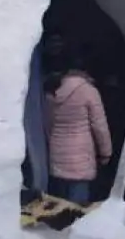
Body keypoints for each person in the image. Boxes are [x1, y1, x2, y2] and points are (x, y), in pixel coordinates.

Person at [44, 49, 113, 206]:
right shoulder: (88, 91)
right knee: (77, 209)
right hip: (80, 159)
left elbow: (48, 125)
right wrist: (106, 153)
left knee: (59, 206)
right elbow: (99, 126)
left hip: (57, 154)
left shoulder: (52, 90)